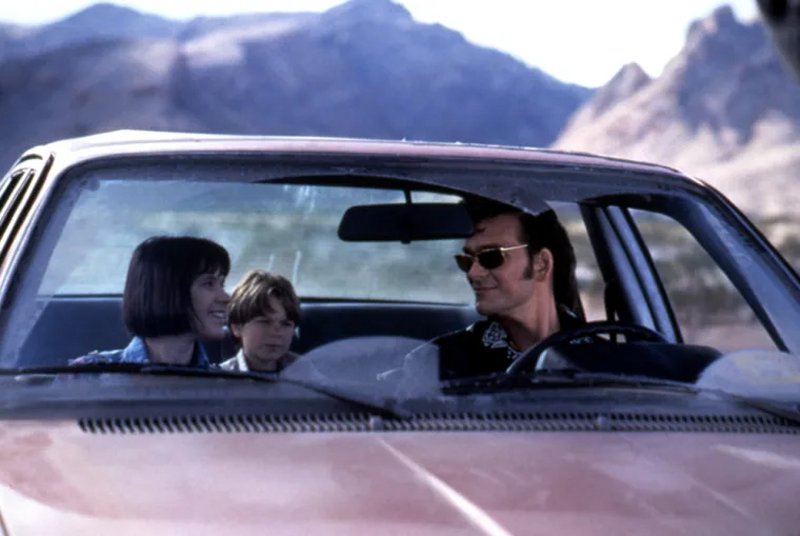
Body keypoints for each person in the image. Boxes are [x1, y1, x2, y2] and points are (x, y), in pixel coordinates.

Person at [405, 197, 584, 382]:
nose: (473, 273)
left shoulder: (597, 356)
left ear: (541, 264)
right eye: (466, 260)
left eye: (491, 257)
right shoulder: (438, 363)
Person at [70, 236, 230, 367]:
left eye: (222, 284)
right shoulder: (90, 377)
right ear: (167, 290)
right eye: (208, 284)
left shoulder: (224, 385)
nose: (226, 298)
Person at [220, 269, 301, 373]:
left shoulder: (310, 374)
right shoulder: (220, 377)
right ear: (237, 327)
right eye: (264, 322)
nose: (276, 332)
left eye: (286, 324)